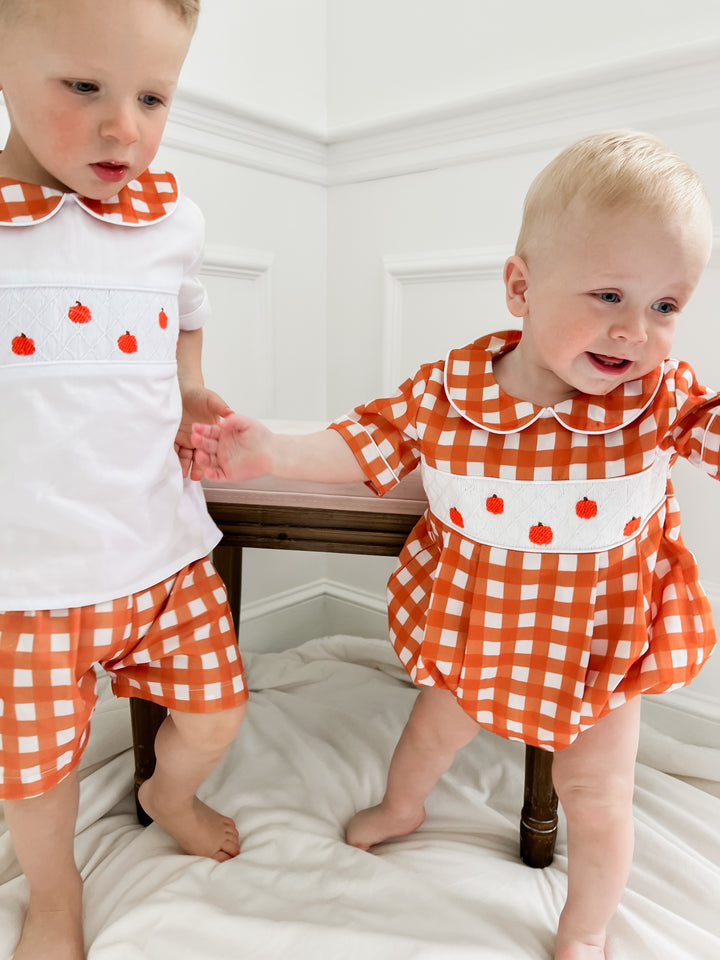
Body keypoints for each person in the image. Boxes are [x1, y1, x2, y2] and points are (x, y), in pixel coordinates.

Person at [192, 130, 719, 960]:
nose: (634, 333)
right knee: (430, 735)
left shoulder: (659, 400)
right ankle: (405, 809)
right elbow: (370, 441)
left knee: (599, 795)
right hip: (480, 626)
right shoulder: (454, 393)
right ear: (521, 286)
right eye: (609, 295)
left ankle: (583, 931)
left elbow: (709, 429)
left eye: (665, 306)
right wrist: (277, 453)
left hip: (598, 646)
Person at [0, 1, 248, 958]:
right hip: (27, 582)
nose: (123, 127)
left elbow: (187, 307)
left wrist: (187, 389)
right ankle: (55, 892)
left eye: (153, 96)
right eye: (84, 88)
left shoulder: (169, 220)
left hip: (160, 552)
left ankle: (165, 792)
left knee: (218, 710)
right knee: (34, 770)